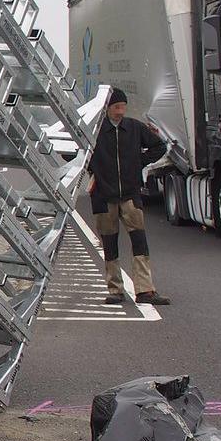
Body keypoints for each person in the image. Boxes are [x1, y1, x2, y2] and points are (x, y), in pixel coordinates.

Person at [87, 87, 171, 306]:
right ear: (107, 108)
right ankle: (115, 290)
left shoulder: (134, 128)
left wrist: (139, 163)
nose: (120, 111)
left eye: (123, 107)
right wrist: (92, 170)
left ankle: (145, 290)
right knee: (109, 243)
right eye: (116, 107)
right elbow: (76, 152)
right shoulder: (95, 131)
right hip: (104, 196)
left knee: (139, 241)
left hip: (130, 194)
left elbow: (159, 147)